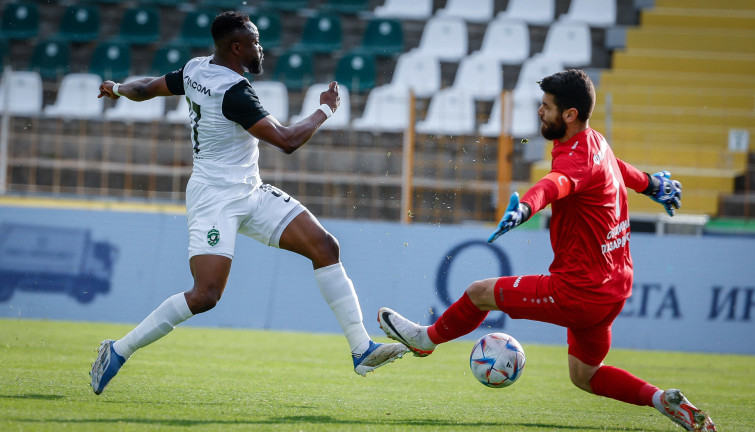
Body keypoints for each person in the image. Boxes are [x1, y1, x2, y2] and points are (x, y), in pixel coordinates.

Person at [378, 70, 716, 431]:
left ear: (570, 114)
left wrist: (524, 208)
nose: (540, 111)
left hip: (579, 292)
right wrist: (650, 184)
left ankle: (425, 340)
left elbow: (553, 185)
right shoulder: (595, 142)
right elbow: (616, 167)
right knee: (585, 375)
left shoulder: (574, 159)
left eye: (547, 106)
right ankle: (662, 400)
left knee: (478, 293)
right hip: (614, 290)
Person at [90, 11, 407, 395]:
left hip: (250, 191)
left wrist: (118, 88)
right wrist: (325, 108)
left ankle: (361, 349)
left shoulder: (195, 69)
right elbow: (287, 141)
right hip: (214, 198)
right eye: (255, 42)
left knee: (325, 247)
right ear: (237, 47)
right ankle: (118, 351)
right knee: (205, 296)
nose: (261, 48)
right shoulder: (234, 93)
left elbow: (146, 88)